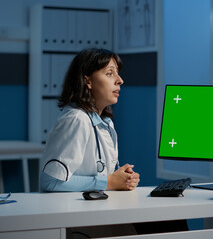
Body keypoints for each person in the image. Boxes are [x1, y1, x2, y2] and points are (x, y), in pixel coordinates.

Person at [40, 48, 140, 192]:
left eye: (117, 73)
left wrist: (122, 179)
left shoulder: (105, 122)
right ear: (88, 81)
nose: (120, 80)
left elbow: (99, 176)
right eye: (109, 73)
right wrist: (109, 182)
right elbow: (50, 182)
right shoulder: (76, 119)